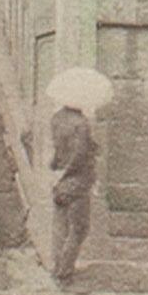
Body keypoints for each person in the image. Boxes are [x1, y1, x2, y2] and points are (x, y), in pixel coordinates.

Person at [49, 103, 98, 284]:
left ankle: (56, 267)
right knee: (79, 228)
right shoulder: (81, 124)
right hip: (77, 181)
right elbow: (79, 156)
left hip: (60, 181)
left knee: (60, 227)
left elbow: (57, 153)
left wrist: (56, 172)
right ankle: (65, 271)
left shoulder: (56, 119)